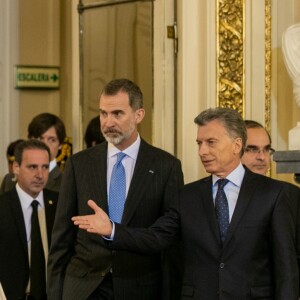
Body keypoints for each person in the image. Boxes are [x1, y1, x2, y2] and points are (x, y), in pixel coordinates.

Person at [73, 107, 299, 299]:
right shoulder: (188, 196)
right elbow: (155, 237)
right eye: (199, 143)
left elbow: (286, 268)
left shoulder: (275, 194)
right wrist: (112, 230)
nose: (202, 151)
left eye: (211, 142)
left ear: (236, 144)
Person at [47, 78, 184, 300]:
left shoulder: (165, 166)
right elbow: (61, 240)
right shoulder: (79, 164)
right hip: (84, 288)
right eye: (103, 113)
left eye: (117, 114)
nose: (108, 122)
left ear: (138, 115)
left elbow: (171, 240)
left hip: (139, 287)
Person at [0, 139, 59, 300]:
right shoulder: (3, 206)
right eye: (32, 167)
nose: (40, 175)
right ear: (16, 168)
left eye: (45, 167)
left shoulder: (60, 205)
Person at [27, 112, 67, 192]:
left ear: (60, 145)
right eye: (40, 138)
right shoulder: (10, 180)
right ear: (30, 140)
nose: (45, 144)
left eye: (52, 140)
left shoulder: (66, 183)